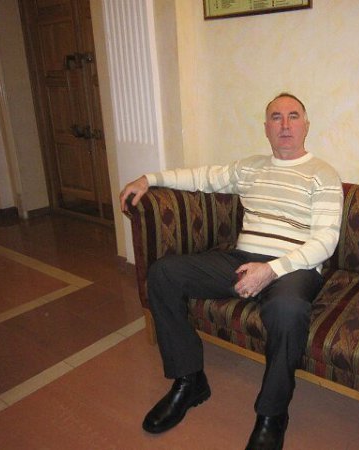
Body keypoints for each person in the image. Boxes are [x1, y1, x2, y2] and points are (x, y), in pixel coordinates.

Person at [119, 93, 343, 449]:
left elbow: (326, 241)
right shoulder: (250, 168)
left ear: (306, 125)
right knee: (163, 273)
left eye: (293, 116)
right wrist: (149, 178)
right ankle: (189, 381)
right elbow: (202, 177)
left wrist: (271, 270)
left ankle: (272, 414)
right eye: (276, 117)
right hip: (242, 257)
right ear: (266, 128)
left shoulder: (323, 175)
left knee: (288, 310)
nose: (285, 125)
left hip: (294, 266)